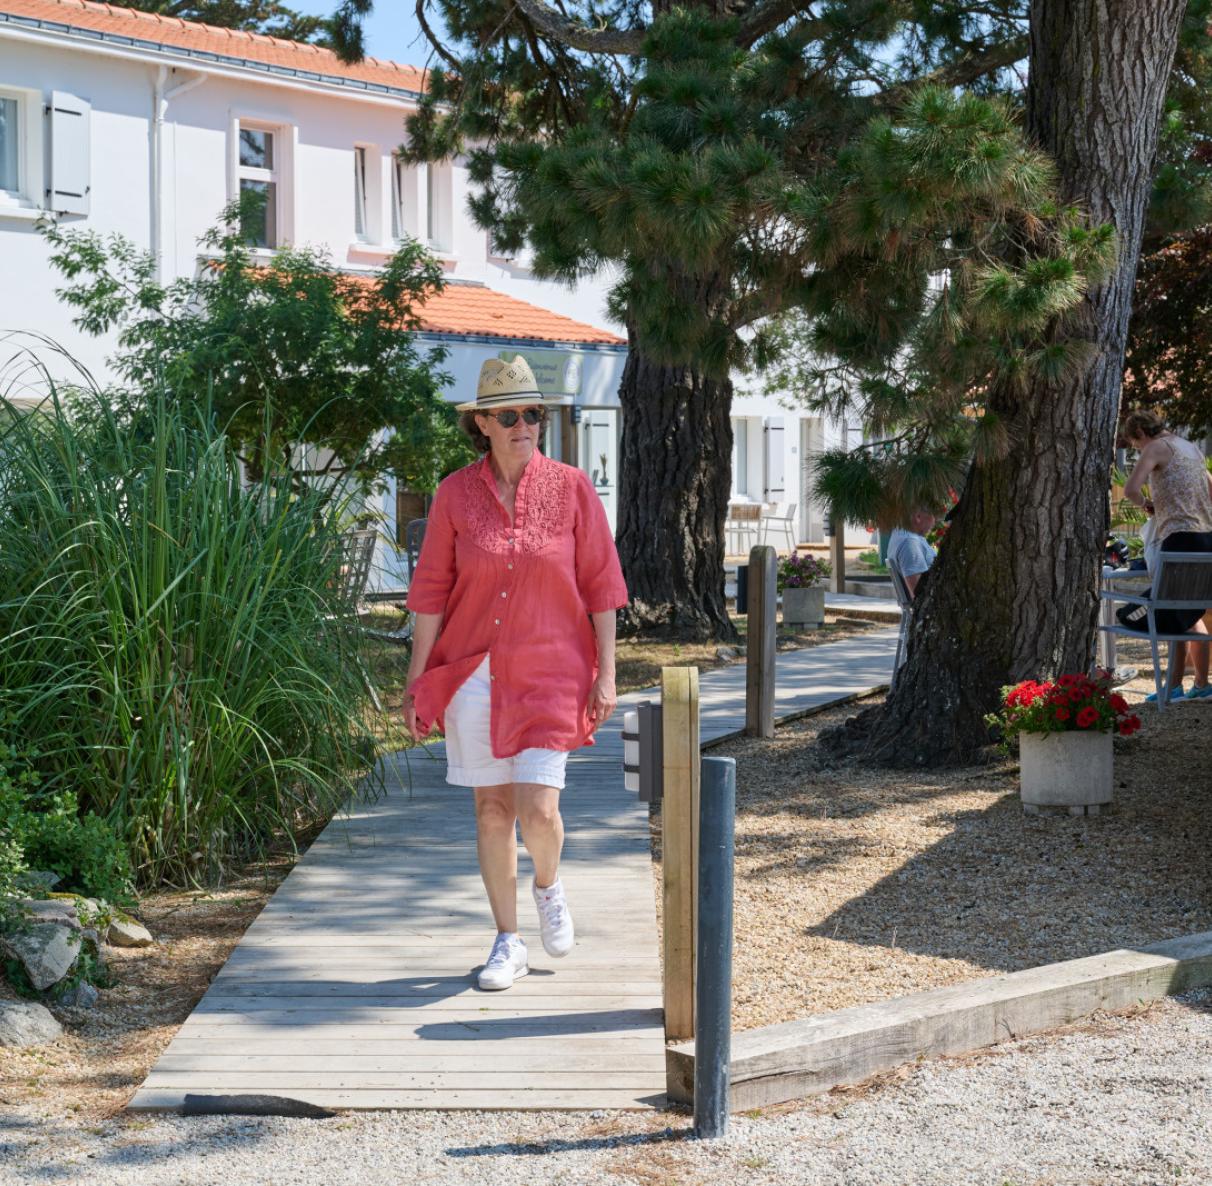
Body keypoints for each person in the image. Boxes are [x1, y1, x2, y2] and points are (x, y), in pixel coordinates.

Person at [404, 355, 628, 991]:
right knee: (493, 810)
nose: (523, 425)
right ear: (482, 424)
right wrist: (418, 682)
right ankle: (508, 940)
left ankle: (548, 887)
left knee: (539, 810)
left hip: (553, 669)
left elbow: (602, 585)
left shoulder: (573, 488)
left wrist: (607, 672)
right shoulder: (454, 494)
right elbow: (430, 593)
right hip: (474, 671)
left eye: (532, 413)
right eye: (508, 416)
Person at [1121, 410, 1212, 702]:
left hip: (1179, 539)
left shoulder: (1155, 448)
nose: (1138, 450)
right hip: (1206, 538)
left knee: (1168, 609)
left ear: (1140, 433)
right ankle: (1200, 684)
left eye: (1135, 445)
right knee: (1191, 611)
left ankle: (1173, 688)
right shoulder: (1191, 448)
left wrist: (1147, 503)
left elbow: (1130, 489)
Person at [886, 506, 939, 600]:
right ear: (918, 516)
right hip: (937, 603)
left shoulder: (901, 534)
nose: (935, 522)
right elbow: (919, 595)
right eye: (934, 516)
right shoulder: (910, 543)